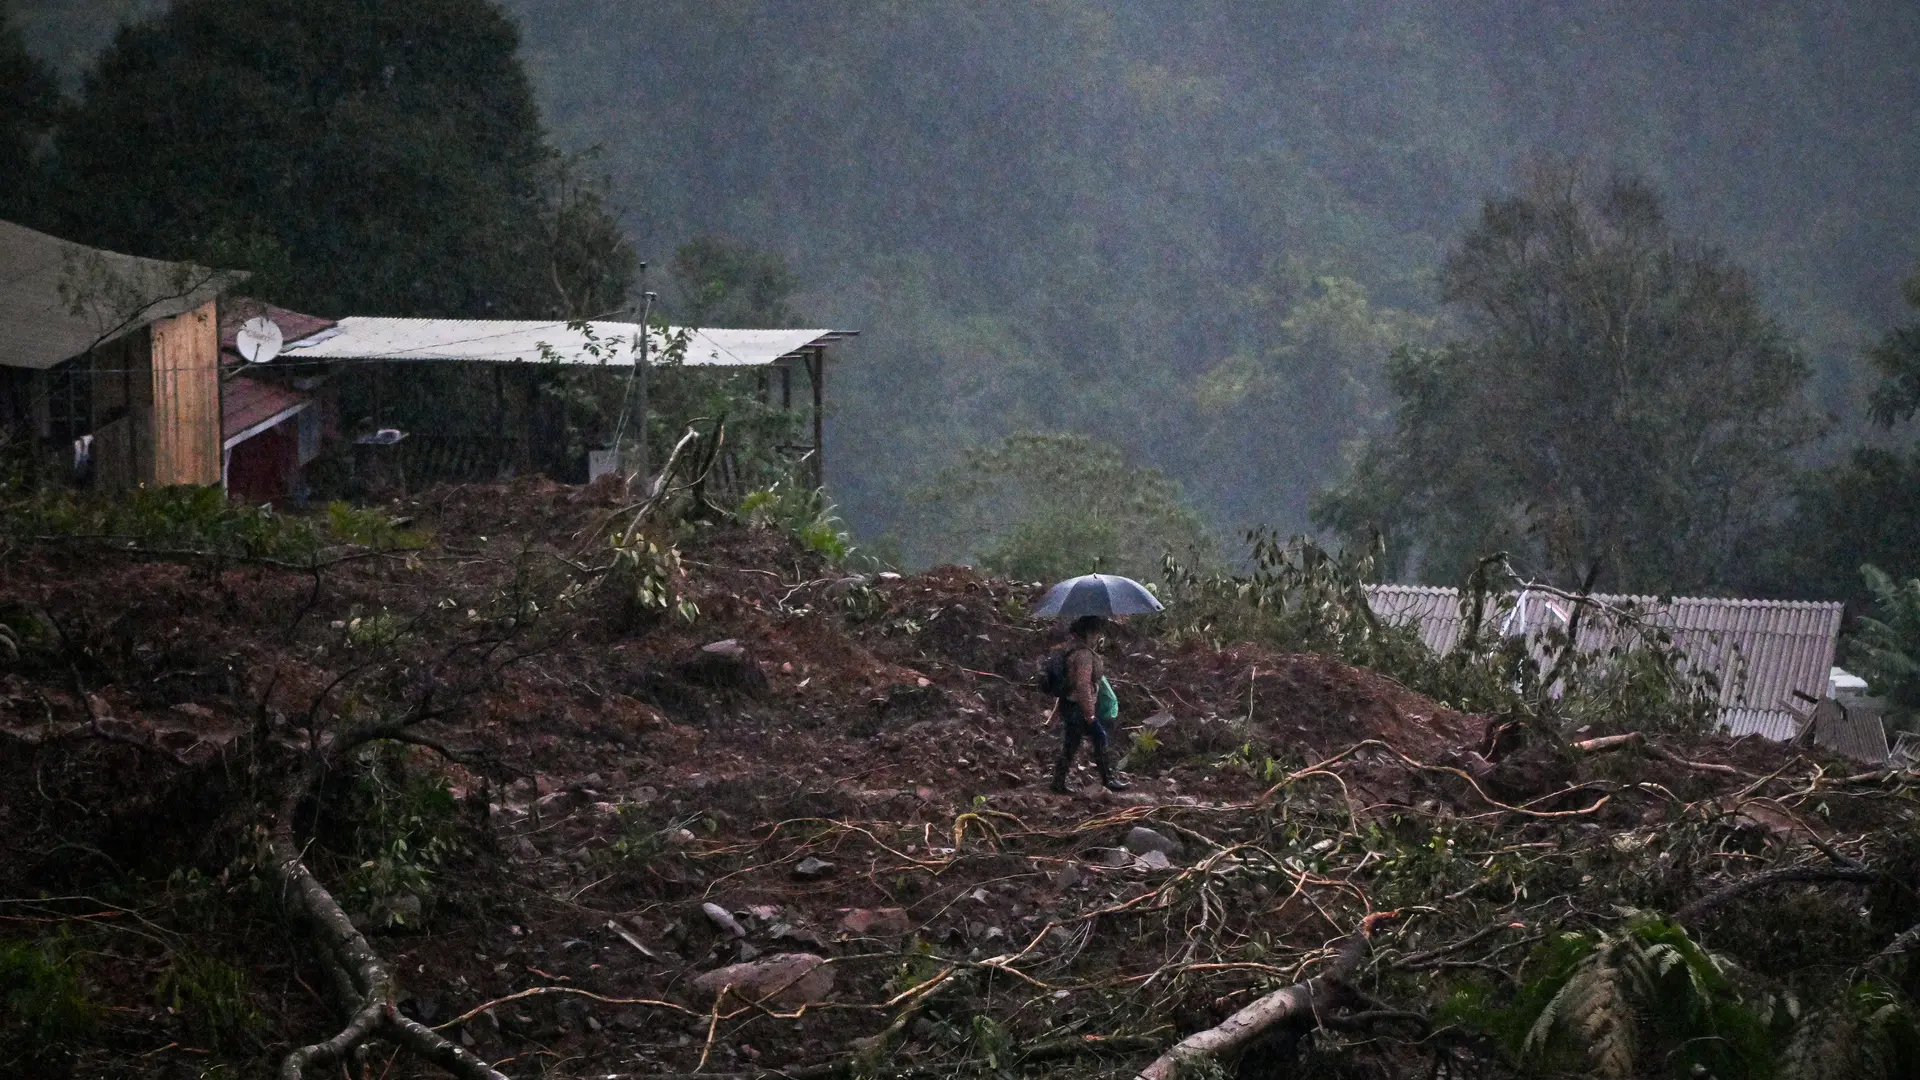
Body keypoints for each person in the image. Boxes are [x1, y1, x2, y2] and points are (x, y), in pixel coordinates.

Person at [1050, 614, 1128, 793]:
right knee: (1099, 738)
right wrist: (1090, 713)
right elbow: (1083, 685)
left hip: (1069, 704)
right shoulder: (1084, 654)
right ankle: (1108, 779)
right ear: (1090, 632)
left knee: (1072, 743)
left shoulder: (1071, 649)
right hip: (1079, 706)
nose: (1099, 636)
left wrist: (1056, 713)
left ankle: (1058, 781)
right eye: (1097, 632)